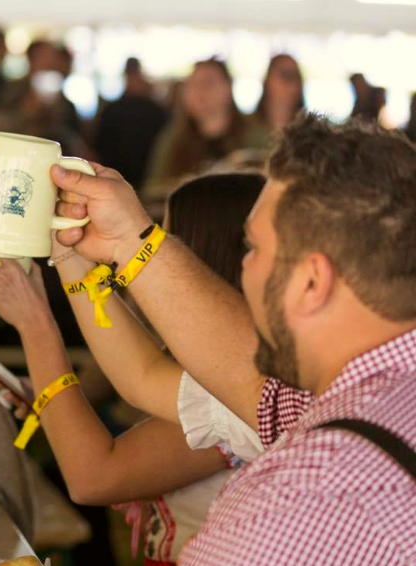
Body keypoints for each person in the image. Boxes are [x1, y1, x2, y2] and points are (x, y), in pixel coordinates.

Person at [51, 113, 416, 564]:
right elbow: (245, 374)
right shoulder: (378, 390)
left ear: (311, 283)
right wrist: (126, 239)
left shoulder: (309, 493)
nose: (244, 268)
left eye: (254, 247)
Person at [0, 173, 265, 564]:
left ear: (200, 263)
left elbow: (93, 476)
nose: (144, 267)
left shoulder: (247, 385)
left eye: (167, 240)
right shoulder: (231, 379)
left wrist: (34, 321)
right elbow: (140, 376)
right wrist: (68, 252)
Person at [142, 58, 270, 201]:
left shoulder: (257, 137)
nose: (199, 91)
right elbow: (153, 191)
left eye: (208, 83)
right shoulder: (172, 140)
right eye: (192, 85)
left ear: (228, 88)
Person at [94, 57, 169, 189]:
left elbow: (99, 144)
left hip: (118, 176)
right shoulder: (154, 109)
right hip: (145, 174)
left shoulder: (111, 110)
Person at [254, 54, 304, 133]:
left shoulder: (313, 132)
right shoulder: (242, 126)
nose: (291, 83)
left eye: (295, 76)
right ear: (268, 81)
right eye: (284, 75)